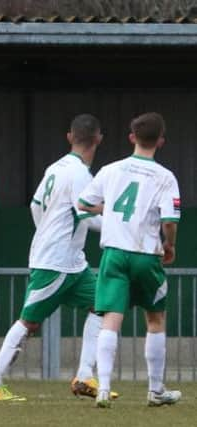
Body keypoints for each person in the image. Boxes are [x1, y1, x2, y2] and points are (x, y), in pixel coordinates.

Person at [0, 114, 114, 401]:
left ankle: (84, 376)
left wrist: (48, 230)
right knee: (28, 322)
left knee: (102, 305)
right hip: (56, 261)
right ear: (98, 139)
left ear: (70, 137)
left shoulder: (56, 167)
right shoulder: (80, 174)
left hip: (71, 262)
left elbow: (35, 205)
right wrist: (117, 225)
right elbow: (86, 213)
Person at [78, 112, 181, 408]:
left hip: (114, 252)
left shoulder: (110, 170)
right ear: (160, 141)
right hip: (146, 254)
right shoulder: (165, 177)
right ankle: (155, 390)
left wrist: (108, 211)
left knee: (111, 317)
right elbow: (170, 220)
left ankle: (103, 388)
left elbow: (84, 203)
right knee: (155, 317)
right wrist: (169, 245)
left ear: (132, 137)